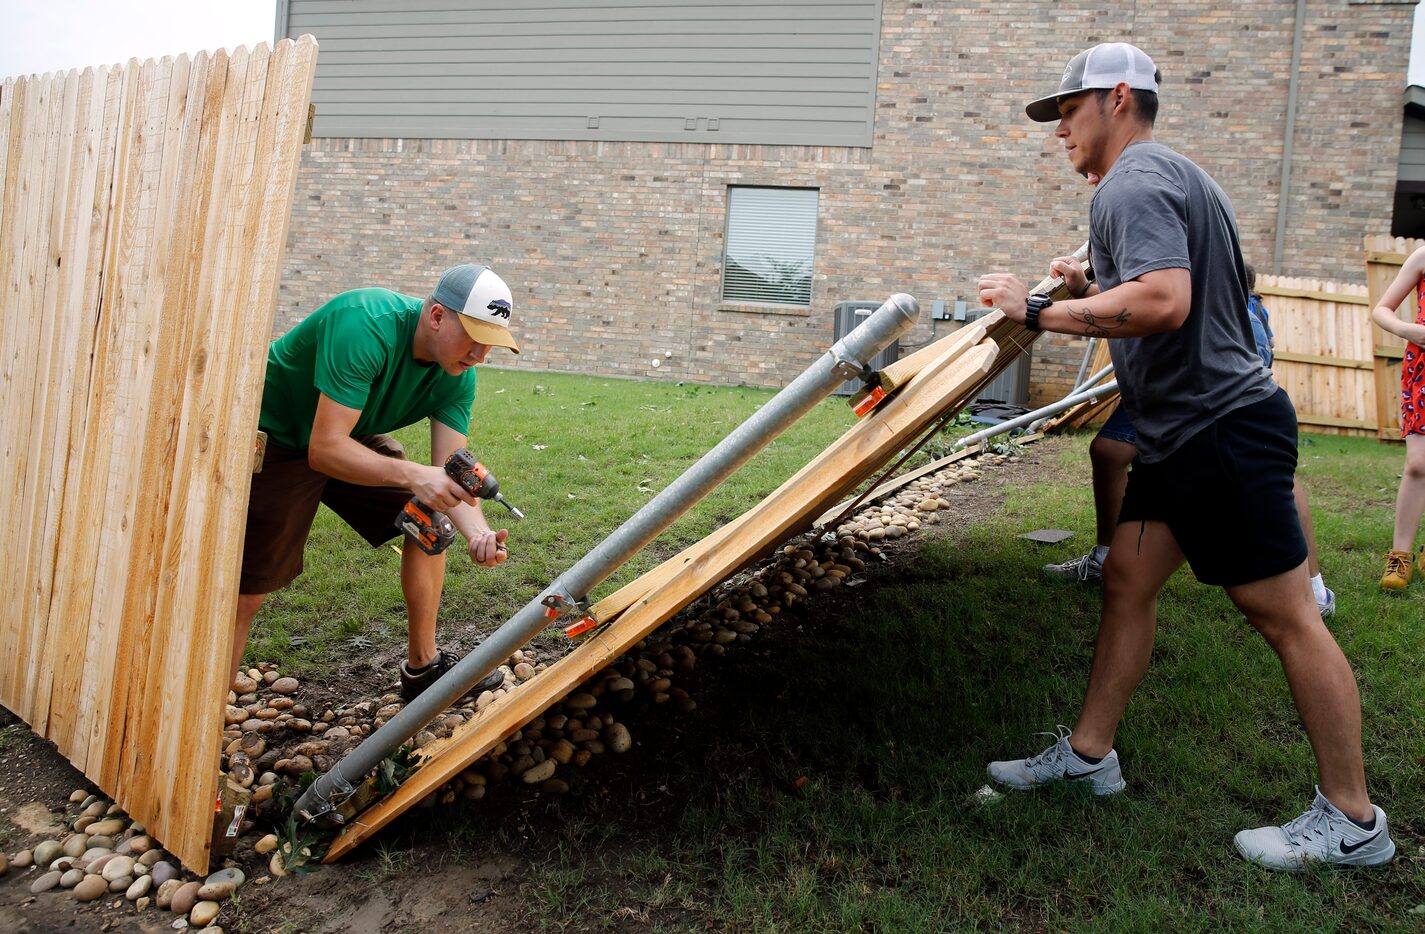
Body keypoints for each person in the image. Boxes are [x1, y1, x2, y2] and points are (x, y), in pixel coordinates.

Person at [976, 42, 1393, 871]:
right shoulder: (1177, 175)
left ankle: (1352, 820)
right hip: (1178, 435)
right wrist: (1092, 270)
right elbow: (1209, 276)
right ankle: (1090, 758)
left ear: (1116, 99)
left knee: (1284, 616)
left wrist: (1035, 308)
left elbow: (1167, 300)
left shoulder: (1130, 183)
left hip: (1219, 429)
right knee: (1126, 583)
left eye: (1066, 110)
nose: (1058, 129)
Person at [232, 263, 520, 701]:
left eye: (492, 344)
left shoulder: (458, 373)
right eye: (475, 337)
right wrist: (412, 474)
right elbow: (323, 450)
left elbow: (452, 471)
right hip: (280, 434)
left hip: (346, 431)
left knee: (429, 523)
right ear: (437, 316)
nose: (481, 354)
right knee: (249, 591)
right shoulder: (366, 323)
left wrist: (478, 533)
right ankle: (203, 716)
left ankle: (423, 667)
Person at [1045, 264, 1336, 618]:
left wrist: (1036, 312)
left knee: (1269, 481)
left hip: (1212, 403)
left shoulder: (1240, 318)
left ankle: (1313, 590)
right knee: (1109, 453)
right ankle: (1109, 559)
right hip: (1163, 380)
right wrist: (1081, 289)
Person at [1368, 244, 1425, 590]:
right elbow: (1381, 309)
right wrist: (1410, 330)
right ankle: (1400, 557)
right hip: (1423, 367)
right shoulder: (1422, 255)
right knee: (1418, 464)